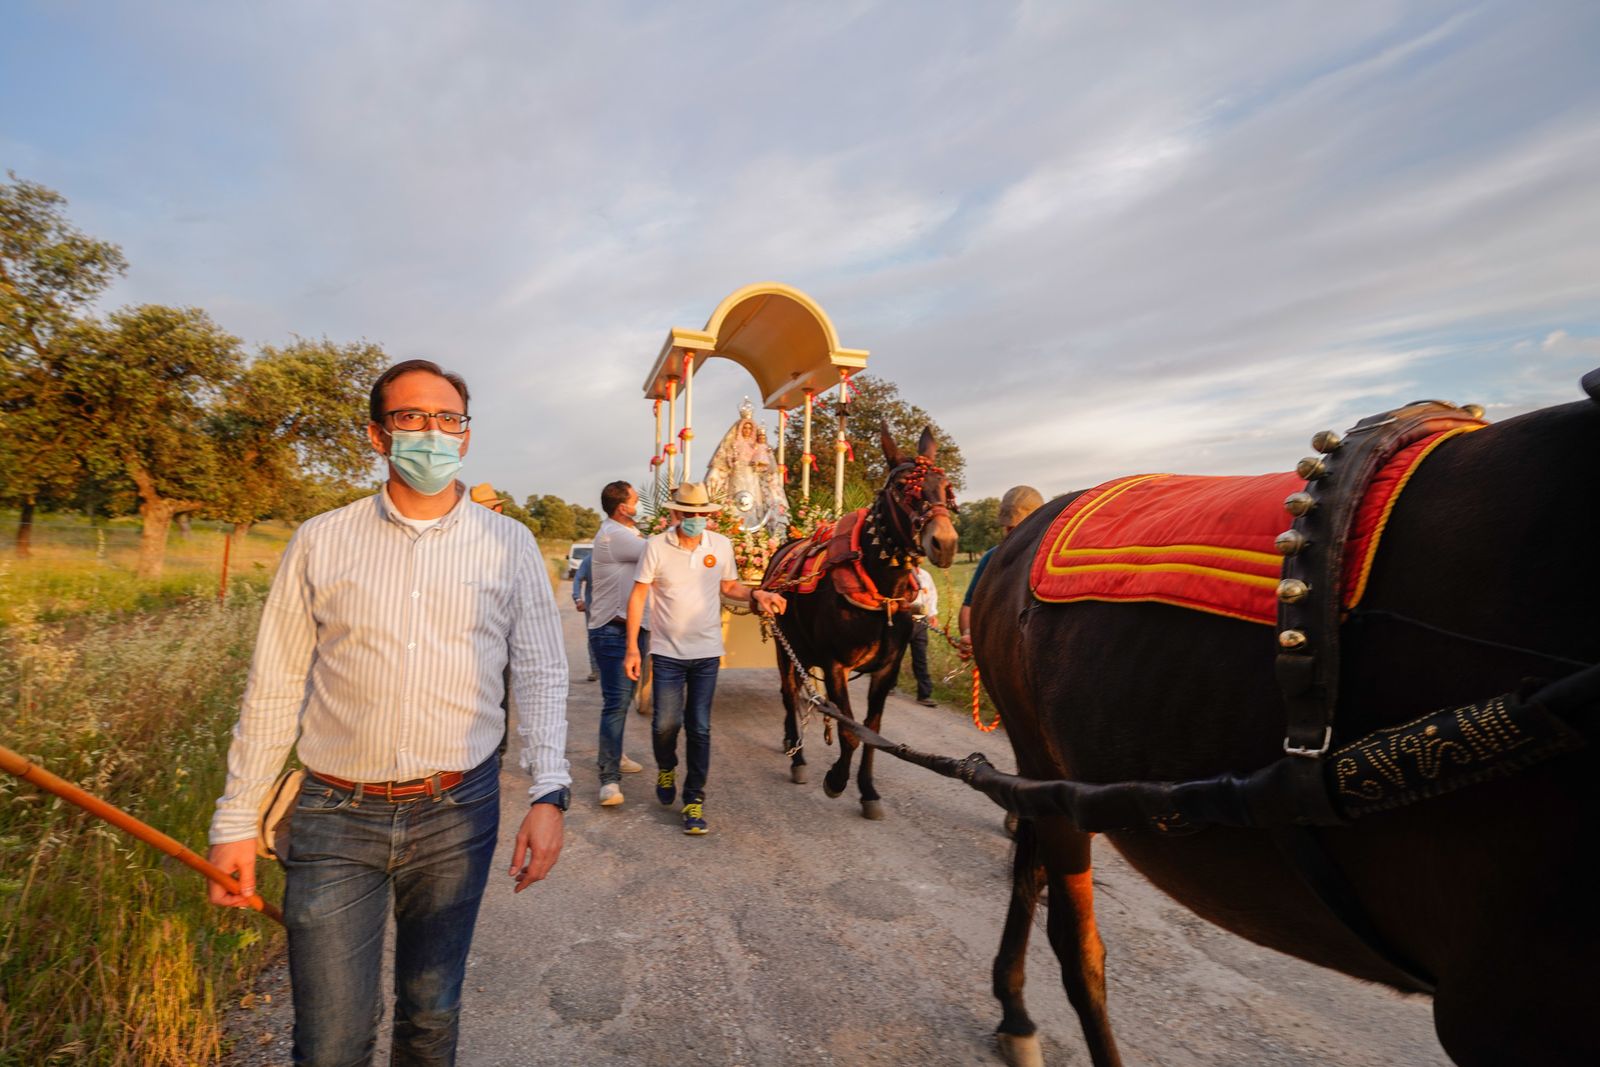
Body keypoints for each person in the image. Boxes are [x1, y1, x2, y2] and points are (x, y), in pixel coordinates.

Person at [206, 359, 571, 1066]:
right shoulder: (321, 539)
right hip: (335, 816)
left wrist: (548, 791)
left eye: (447, 419)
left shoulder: (510, 545)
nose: (431, 432)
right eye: (411, 417)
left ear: (465, 436)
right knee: (330, 1039)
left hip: (457, 811)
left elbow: (541, 672)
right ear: (378, 435)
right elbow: (275, 684)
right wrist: (235, 820)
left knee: (431, 1013)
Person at [623, 481, 786, 835]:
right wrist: (633, 647)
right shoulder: (655, 547)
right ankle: (667, 767)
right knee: (665, 725)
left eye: (701, 513)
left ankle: (694, 799)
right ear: (676, 513)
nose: (696, 519)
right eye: (689, 513)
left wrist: (758, 595)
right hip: (666, 652)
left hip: (707, 653)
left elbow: (729, 587)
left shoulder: (721, 545)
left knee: (699, 727)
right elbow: (638, 596)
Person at [586, 480, 652, 805]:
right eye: (636, 500)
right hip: (613, 630)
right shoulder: (615, 536)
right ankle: (609, 779)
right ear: (623, 508)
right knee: (616, 702)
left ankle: (616, 754)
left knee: (622, 700)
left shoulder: (627, 533)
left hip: (631, 629)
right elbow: (658, 554)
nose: (639, 505)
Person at [957, 485, 1044, 659]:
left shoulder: (1051, 560)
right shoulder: (991, 558)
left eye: (1018, 528)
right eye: (1008, 528)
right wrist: (968, 634)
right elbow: (969, 605)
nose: (1012, 535)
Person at [905, 564, 940, 706]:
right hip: (902, 619)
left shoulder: (925, 575)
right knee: (895, 655)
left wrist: (932, 614)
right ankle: (889, 685)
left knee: (920, 657)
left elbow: (931, 594)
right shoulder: (902, 573)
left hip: (921, 621)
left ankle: (924, 694)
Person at [571, 554, 599, 682]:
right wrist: (578, 599)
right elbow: (577, 579)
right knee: (594, 637)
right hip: (593, 607)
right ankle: (595, 669)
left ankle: (603, 670)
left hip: (613, 608)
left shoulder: (618, 557)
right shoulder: (589, 560)